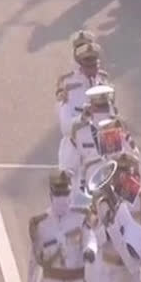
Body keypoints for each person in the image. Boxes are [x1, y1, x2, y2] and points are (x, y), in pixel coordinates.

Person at [57, 38, 111, 182]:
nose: (93, 70)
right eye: (89, 66)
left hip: (98, 154)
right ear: (81, 66)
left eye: (95, 65)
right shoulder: (68, 85)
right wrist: (83, 117)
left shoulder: (104, 82)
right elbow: (65, 127)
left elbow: (110, 119)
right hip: (74, 155)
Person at [68, 85, 119, 194]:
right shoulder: (80, 132)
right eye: (98, 108)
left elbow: (134, 161)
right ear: (90, 108)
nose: (102, 112)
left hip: (115, 183)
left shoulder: (118, 129)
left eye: (104, 107)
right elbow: (71, 165)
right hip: (90, 186)